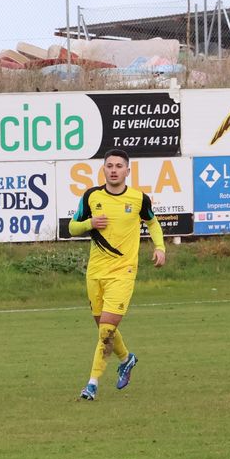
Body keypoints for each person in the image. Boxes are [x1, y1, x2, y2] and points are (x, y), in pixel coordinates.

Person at [67, 149, 166, 400]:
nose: (113, 170)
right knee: (104, 329)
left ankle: (92, 383)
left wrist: (160, 247)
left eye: (119, 166)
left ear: (127, 171)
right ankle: (126, 359)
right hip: (95, 273)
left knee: (106, 329)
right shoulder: (91, 196)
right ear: (104, 169)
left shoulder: (138, 199)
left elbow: (152, 223)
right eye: (109, 165)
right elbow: (71, 227)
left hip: (123, 272)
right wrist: (90, 223)